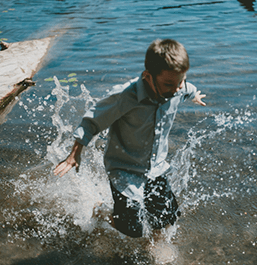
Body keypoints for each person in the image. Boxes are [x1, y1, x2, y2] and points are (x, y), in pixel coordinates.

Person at [53, 39, 207, 263]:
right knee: (132, 228)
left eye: (180, 82)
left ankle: (155, 244)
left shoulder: (175, 87)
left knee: (167, 217)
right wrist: (75, 153)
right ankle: (102, 211)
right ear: (148, 76)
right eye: (168, 85)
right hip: (124, 169)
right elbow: (92, 121)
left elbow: (185, 88)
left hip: (155, 168)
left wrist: (193, 95)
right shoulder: (126, 95)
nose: (175, 90)